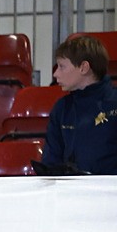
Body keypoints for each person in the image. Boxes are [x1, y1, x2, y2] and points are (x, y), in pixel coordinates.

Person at [42, 34, 117, 175]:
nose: (56, 74)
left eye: (62, 66)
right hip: (69, 193)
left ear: (84, 67)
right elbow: (50, 163)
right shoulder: (61, 108)